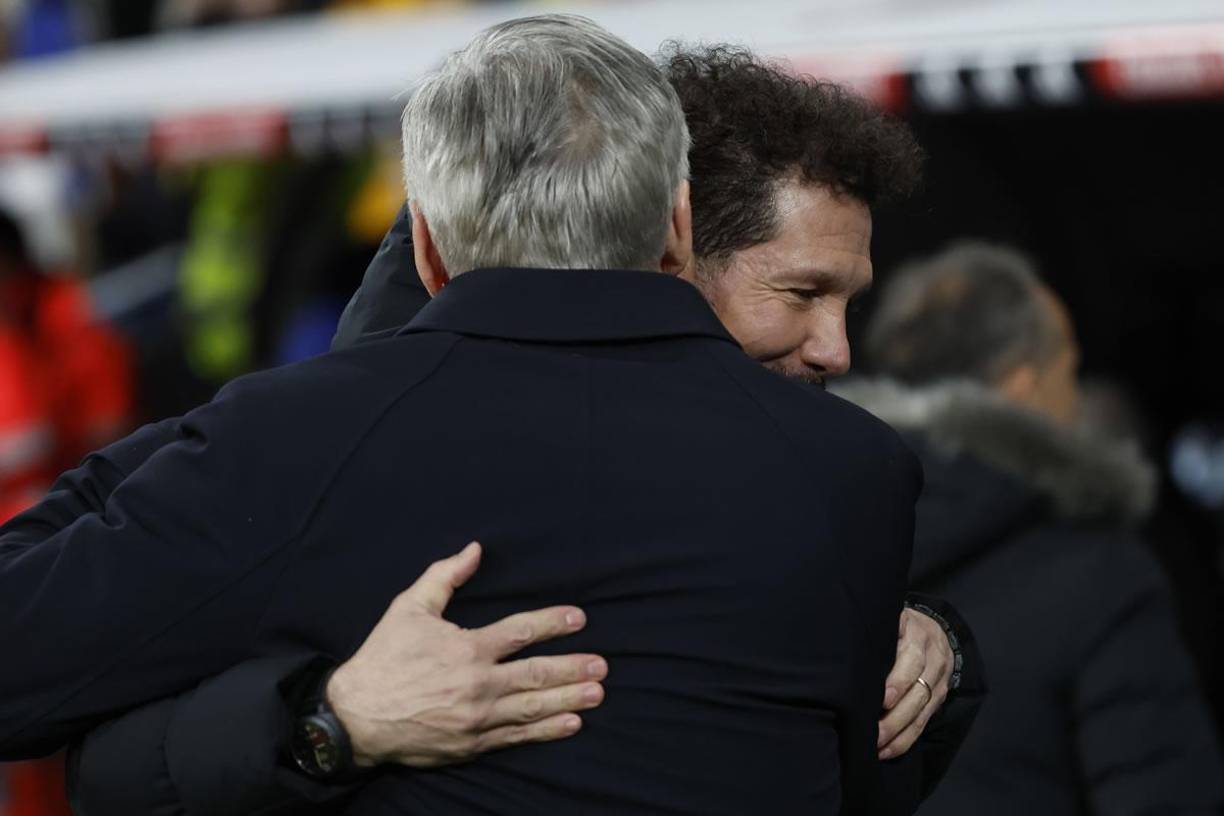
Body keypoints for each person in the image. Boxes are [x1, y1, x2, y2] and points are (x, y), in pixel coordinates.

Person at [20, 44, 984, 816]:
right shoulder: (854, 471)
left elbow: (81, 726)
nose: (837, 353)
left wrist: (325, 721)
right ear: (678, 232)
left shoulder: (305, 440)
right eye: (803, 293)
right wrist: (329, 721)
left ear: (432, 245)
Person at [833, 241, 1224, 815]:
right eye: (1068, 368)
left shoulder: (817, 524)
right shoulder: (1102, 572)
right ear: (1022, 387)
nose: (1076, 396)